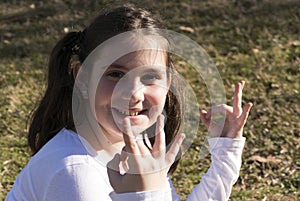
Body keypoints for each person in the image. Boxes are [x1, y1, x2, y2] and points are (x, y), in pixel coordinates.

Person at [5, 5, 253, 201]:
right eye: (115, 74)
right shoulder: (73, 173)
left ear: (168, 84)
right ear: (81, 76)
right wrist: (144, 193)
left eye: (150, 77)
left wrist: (225, 154)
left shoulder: (132, 148)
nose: (133, 94)